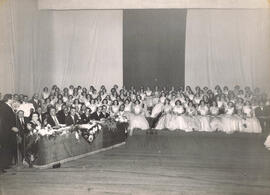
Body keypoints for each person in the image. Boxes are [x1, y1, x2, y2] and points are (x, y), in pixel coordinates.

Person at [0, 95, 20, 172]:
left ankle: (5, 164)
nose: (13, 100)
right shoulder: (4, 107)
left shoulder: (8, 106)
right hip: (6, 132)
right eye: (12, 98)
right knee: (5, 148)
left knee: (8, 148)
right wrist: (11, 127)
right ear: (8, 99)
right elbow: (4, 120)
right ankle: (2, 166)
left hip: (9, 132)